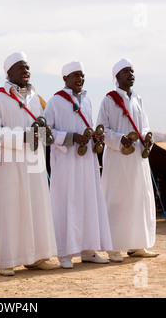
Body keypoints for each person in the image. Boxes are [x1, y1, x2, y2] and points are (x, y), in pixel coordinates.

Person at [0, 51, 58, 276]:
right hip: (9, 165)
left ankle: (37, 257)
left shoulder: (35, 98)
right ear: (8, 73)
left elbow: (40, 124)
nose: (26, 71)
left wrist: (42, 132)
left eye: (27, 67)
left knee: (37, 206)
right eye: (20, 67)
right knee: (11, 210)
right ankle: (8, 261)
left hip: (34, 163)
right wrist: (22, 136)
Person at [44, 61, 113, 268]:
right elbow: (45, 134)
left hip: (86, 162)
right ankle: (64, 253)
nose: (80, 79)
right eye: (75, 75)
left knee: (88, 202)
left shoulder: (87, 100)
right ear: (65, 78)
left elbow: (88, 128)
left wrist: (95, 139)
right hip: (65, 162)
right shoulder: (55, 102)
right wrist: (70, 137)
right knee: (66, 203)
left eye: (82, 75)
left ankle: (88, 250)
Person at [97, 58, 159, 262]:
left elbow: (146, 126)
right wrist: (119, 139)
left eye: (132, 71)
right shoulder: (108, 100)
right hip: (118, 159)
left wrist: (148, 137)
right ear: (117, 76)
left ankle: (137, 245)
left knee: (139, 199)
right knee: (117, 200)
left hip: (138, 160)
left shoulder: (138, 99)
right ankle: (113, 248)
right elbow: (102, 130)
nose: (130, 74)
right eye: (126, 71)